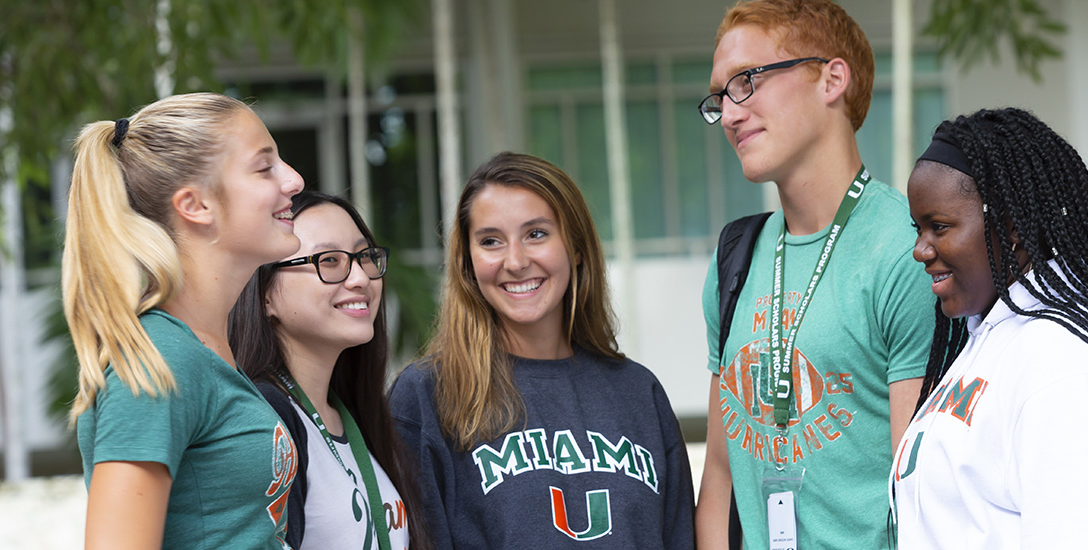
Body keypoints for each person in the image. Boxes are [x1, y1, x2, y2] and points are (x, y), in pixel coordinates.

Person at [694, 1, 935, 548]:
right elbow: (720, 475)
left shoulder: (904, 251)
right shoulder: (736, 257)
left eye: (746, 82)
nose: (729, 114)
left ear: (831, 79)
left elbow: (918, 490)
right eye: (720, 96)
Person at [892, 107, 1088, 548]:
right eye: (918, 228)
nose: (920, 250)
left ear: (1011, 229)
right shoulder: (992, 336)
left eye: (939, 227)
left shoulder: (1063, 365)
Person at [389, 152, 695, 549]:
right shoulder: (426, 396)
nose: (515, 261)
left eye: (536, 234)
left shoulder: (639, 393)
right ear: (467, 263)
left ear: (577, 248)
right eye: (490, 241)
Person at [64, 93, 304, 548]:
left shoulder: (201, 346)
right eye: (264, 167)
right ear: (196, 205)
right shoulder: (164, 357)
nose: (294, 180)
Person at [229, 190, 430, 550]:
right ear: (264, 294)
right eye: (330, 260)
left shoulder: (354, 415)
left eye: (363, 256)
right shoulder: (265, 415)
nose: (359, 279)